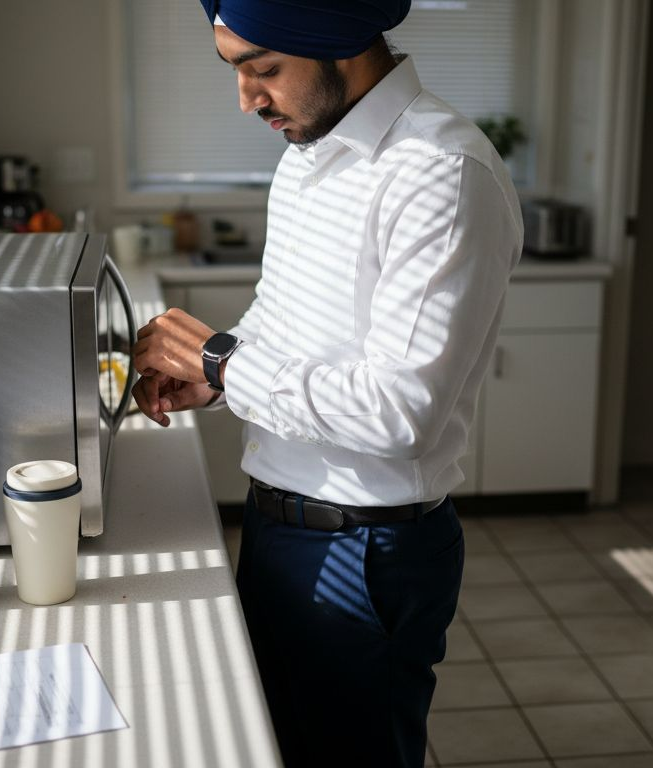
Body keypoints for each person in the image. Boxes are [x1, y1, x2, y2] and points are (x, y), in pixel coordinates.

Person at [132, 1, 523, 765]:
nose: (247, 98)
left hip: (365, 547)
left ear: (339, 43)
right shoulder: (309, 151)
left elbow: (397, 413)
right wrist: (218, 378)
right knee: (274, 745)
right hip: (277, 524)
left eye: (265, 68)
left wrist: (220, 359)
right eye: (237, 70)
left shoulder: (440, 171)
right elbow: (286, 314)